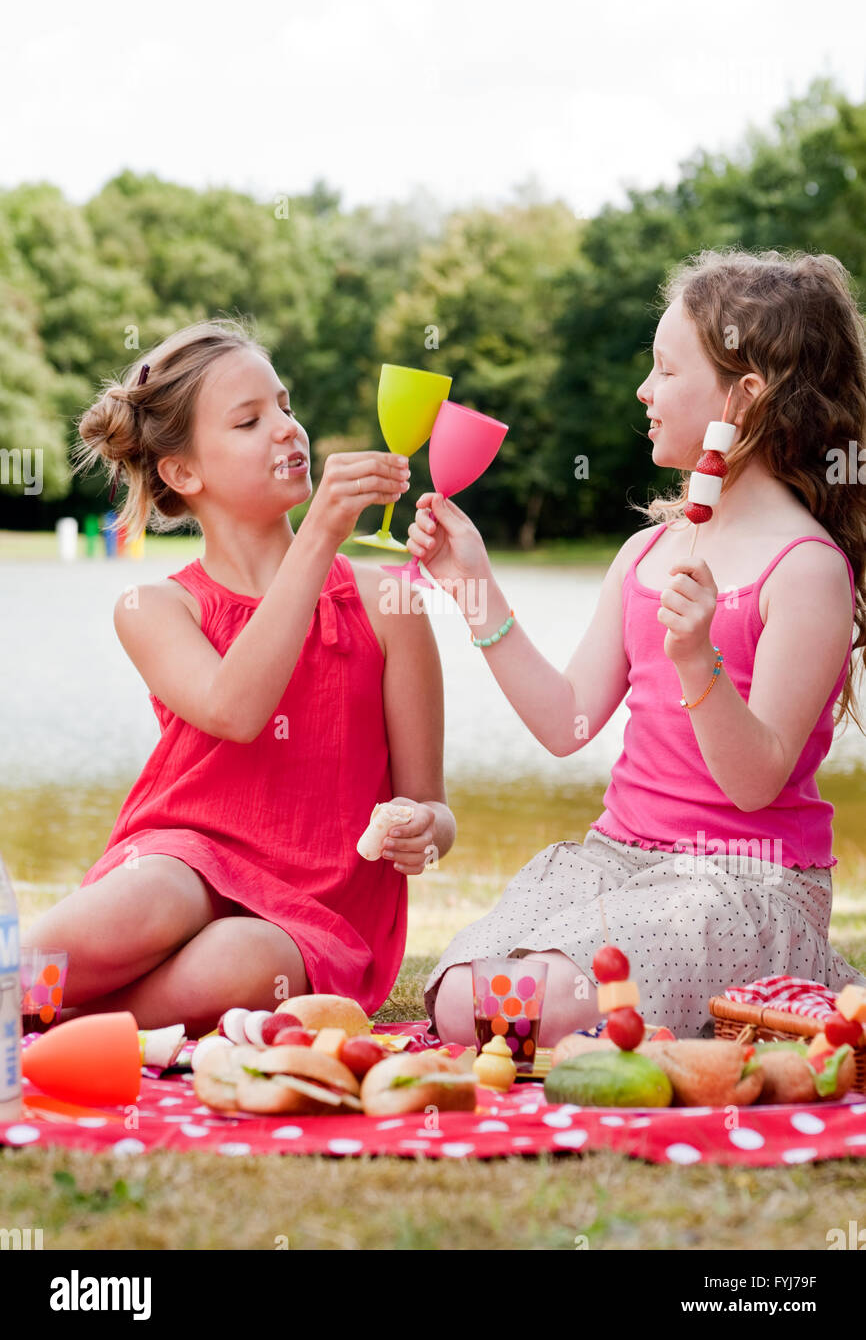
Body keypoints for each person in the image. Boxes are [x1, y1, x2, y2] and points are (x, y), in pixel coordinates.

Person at [409, 248, 866, 1046]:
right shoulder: (646, 555)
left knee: (535, 1008)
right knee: (457, 997)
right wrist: (470, 582)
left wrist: (699, 661)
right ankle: (644, 1021)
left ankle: (783, 983)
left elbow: (756, 781)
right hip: (618, 861)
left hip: (743, 880)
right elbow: (566, 723)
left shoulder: (807, 572)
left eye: (664, 370)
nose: (643, 393)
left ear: (744, 396)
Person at [24, 319, 455, 1038]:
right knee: (151, 896)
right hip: (182, 855)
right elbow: (236, 709)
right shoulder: (156, 608)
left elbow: (434, 812)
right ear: (183, 473)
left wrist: (423, 830)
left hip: (317, 914)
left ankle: (58, 1023)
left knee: (239, 959)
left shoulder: (389, 602)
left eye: (285, 406)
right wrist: (320, 534)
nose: (288, 429)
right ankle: (23, 996)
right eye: (250, 420)